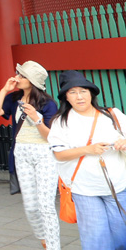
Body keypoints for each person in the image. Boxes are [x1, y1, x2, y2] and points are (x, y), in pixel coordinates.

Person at [48, 70, 126, 250]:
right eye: (72, 92)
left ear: (91, 93)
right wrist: (88, 149)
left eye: (83, 91)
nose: (79, 96)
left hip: (118, 186)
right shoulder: (61, 122)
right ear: (66, 97)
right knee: (96, 240)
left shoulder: (112, 115)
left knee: (122, 236)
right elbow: (59, 154)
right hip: (84, 189)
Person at [0, 61, 59, 250]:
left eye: (22, 76)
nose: (17, 78)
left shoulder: (48, 103)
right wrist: (4, 89)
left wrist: (36, 119)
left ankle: (53, 247)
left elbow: (50, 136)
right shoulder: (14, 99)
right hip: (21, 153)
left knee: (46, 207)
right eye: (18, 74)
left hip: (44, 154)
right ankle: (44, 239)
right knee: (31, 207)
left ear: (32, 81)